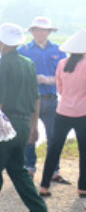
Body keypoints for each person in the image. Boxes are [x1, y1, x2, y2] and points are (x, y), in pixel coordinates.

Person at [0, 23, 51, 212]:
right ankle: (38, 209)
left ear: (3, 43)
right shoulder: (28, 63)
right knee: (17, 168)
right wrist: (34, 126)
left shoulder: (3, 64)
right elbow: (35, 98)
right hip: (22, 124)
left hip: (5, 122)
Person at [19, 16, 67, 181]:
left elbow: (66, 75)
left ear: (49, 32)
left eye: (43, 30)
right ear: (32, 31)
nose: (40, 33)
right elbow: (17, 75)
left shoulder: (59, 51)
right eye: (37, 30)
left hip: (51, 98)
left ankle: (54, 170)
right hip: (29, 99)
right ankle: (29, 168)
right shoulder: (23, 50)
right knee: (29, 134)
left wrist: (49, 79)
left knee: (54, 136)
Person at [40, 29, 86, 198]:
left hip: (63, 111)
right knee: (84, 151)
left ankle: (44, 185)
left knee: (54, 148)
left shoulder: (62, 64)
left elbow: (60, 88)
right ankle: (82, 188)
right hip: (83, 113)